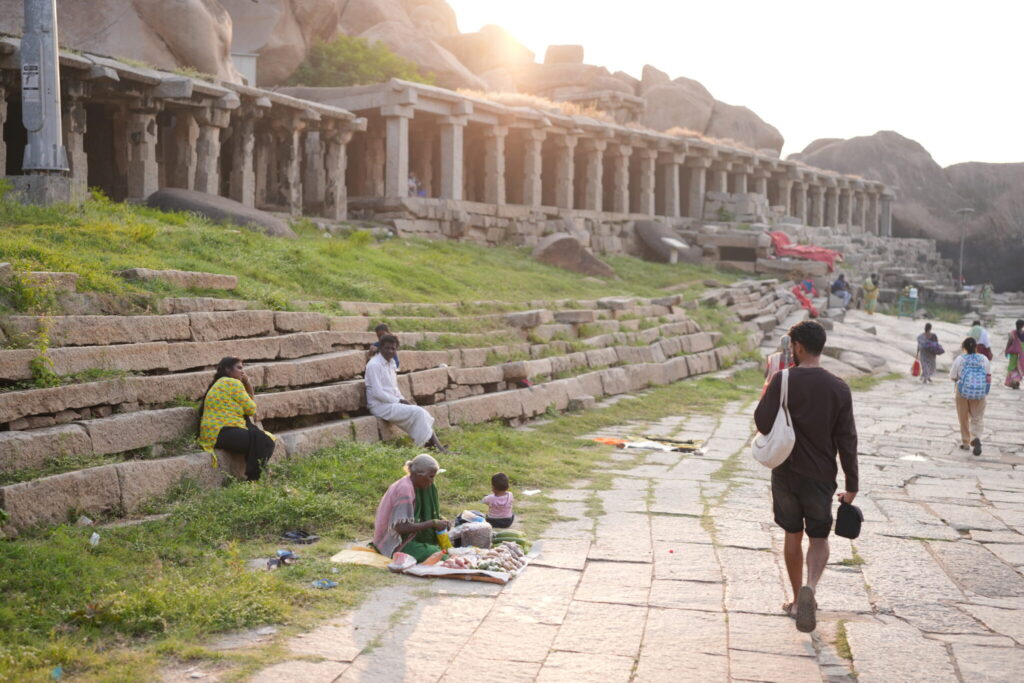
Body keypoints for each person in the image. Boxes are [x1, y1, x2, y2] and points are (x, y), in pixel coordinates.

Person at [754, 320, 858, 634]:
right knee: (818, 537)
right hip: (820, 476)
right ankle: (810, 587)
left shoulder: (782, 379)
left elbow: (762, 423)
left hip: (785, 471)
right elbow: (847, 439)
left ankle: (796, 601)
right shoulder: (839, 387)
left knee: (791, 533)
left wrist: (769, 389)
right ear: (820, 347)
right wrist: (852, 484)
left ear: (797, 347)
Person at [198, 356, 276, 481]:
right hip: (223, 432)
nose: (242, 372)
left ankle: (258, 473)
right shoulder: (232, 383)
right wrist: (247, 383)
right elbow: (251, 409)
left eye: (242, 368)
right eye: (239, 368)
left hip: (214, 435)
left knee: (260, 438)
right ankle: (254, 479)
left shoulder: (220, 383)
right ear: (228, 370)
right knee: (265, 441)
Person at [365, 334, 445, 450]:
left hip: (391, 403)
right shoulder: (374, 365)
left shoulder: (391, 364)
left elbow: (394, 388)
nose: (390, 351)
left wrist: (402, 399)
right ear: (380, 348)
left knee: (421, 413)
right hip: (379, 406)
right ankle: (437, 448)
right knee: (418, 412)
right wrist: (399, 400)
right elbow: (377, 393)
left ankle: (435, 447)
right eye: (387, 348)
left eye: (393, 348)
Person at [372, 454, 450, 562]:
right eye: (431, 477)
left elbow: (420, 513)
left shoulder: (418, 486)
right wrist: (433, 523)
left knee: (444, 550)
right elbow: (401, 528)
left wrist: (440, 519)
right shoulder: (405, 489)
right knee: (440, 555)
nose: (432, 481)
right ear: (419, 475)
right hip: (396, 542)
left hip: (409, 537)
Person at [949, 337, 991, 456]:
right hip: (979, 393)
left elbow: (953, 375)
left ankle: (966, 442)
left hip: (962, 392)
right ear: (976, 346)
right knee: (977, 417)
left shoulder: (960, 359)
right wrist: (984, 391)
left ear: (964, 347)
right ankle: (976, 437)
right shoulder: (984, 359)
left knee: (963, 417)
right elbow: (988, 377)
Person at [1005, 319, 1024, 389]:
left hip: (1014, 354)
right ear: (1022, 326)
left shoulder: (1012, 333)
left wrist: (1006, 350)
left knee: (1012, 367)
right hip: (1022, 354)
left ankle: (1013, 381)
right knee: (1020, 368)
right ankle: (1016, 381)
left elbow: (1009, 342)